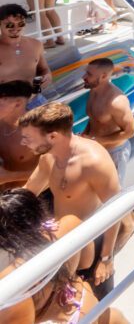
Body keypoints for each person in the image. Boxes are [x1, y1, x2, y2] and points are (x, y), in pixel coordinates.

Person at [20, 102, 121, 300]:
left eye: (28, 138)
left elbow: (115, 209)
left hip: (91, 254)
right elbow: (29, 192)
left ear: (53, 136)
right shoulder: (48, 157)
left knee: (97, 311)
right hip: (63, 248)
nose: (24, 143)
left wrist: (107, 259)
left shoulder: (93, 162)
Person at [0, 188, 127, 323]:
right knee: (114, 316)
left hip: (60, 319)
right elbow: (87, 262)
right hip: (85, 302)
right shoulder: (69, 224)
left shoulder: (11, 277)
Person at [81, 58, 134, 187]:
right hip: (96, 148)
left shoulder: (117, 102)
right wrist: (85, 135)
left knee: (112, 194)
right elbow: (94, 117)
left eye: (89, 74)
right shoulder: (93, 90)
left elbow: (130, 132)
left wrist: (98, 140)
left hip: (114, 153)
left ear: (104, 76)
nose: (84, 77)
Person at [0, 4, 52, 107]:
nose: (16, 28)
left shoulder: (36, 44)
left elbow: (44, 69)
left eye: (21, 24)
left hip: (34, 100)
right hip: (4, 105)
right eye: (9, 25)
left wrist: (47, 76)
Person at [0, 80, 40, 188]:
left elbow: (57, 170)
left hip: (29, 195)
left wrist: (9, 177)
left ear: (17, 104)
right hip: (4, 195)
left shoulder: (39, 131)